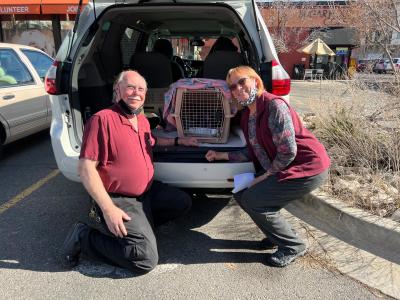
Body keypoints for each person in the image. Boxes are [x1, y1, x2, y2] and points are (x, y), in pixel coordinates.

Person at [61, 70, 198, 273]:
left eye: (141, 89)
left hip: (147, 194)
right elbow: (86, 169)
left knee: (182, 202)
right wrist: (108, 209)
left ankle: (137, 230)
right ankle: (84, 237)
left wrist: (179, 140)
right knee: (144, 259)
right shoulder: (102, 119)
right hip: (120, 199)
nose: (136, 93)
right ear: (118, 90)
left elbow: (153, 140)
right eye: (130, 87)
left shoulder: (141, 119)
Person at [205, 66, 330, 267]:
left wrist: (263, 177)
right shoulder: (247, 115)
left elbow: (288, 151)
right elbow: (254, 151)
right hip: (282, 165)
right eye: (232, 86)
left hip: (306, 167)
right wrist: (221, 155)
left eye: (242, 81)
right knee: (241, 193)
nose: (238, 88)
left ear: (255, 81)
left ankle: (293, 246)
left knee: (255, 200)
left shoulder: (274, 106)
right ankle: (276, 236)